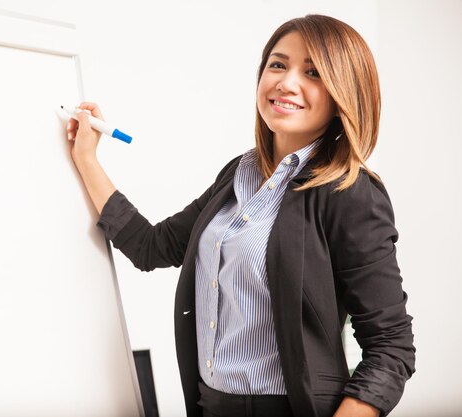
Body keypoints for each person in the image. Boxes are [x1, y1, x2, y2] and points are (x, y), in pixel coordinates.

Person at [65, 14, 415, 417]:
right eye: (278, 64)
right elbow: (151, 247)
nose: (286, 82)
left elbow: (391, 346)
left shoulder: (349, 193)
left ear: (343, 96)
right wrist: (86, 158)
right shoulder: (239, 174)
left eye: (313, 72)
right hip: (211, 404)